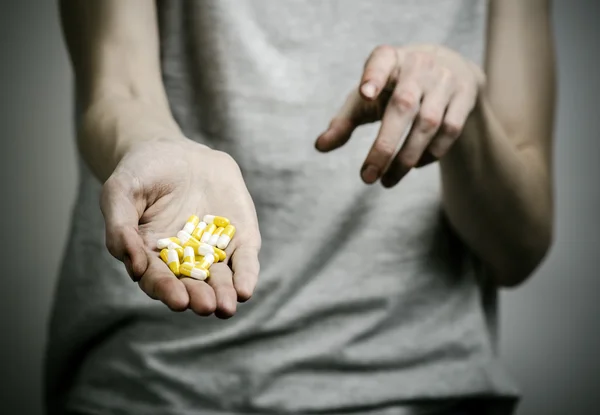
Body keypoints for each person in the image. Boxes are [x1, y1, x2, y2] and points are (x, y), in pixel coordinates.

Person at [45, 0, 555, 414]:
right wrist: (152, 142)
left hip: (413, 387)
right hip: (155, 384)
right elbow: (119, 85)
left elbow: (519, 250)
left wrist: (464, 110)